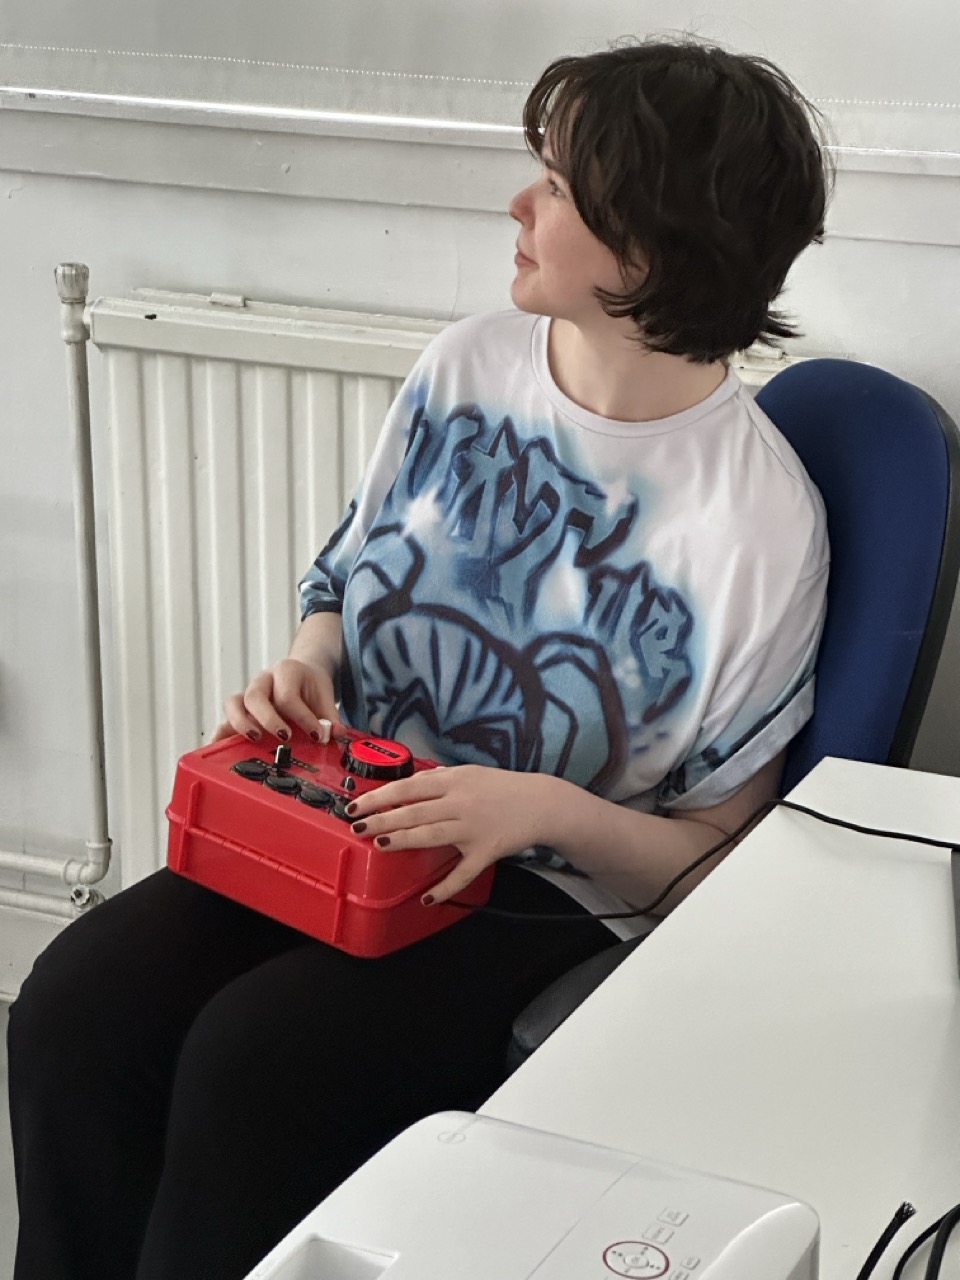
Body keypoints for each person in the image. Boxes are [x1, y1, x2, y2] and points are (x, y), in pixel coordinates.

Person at [7, 35, 832, 1280]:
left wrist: (540, 808)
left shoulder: (761, 520)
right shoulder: (468, 366)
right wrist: (308, 664)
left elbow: (718, 854)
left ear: (651, 247)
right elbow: (345, 581)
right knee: (76, 1003)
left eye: (558, 186)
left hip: (543, 896)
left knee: (253, 1063)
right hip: (349, 822)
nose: (518, 203)